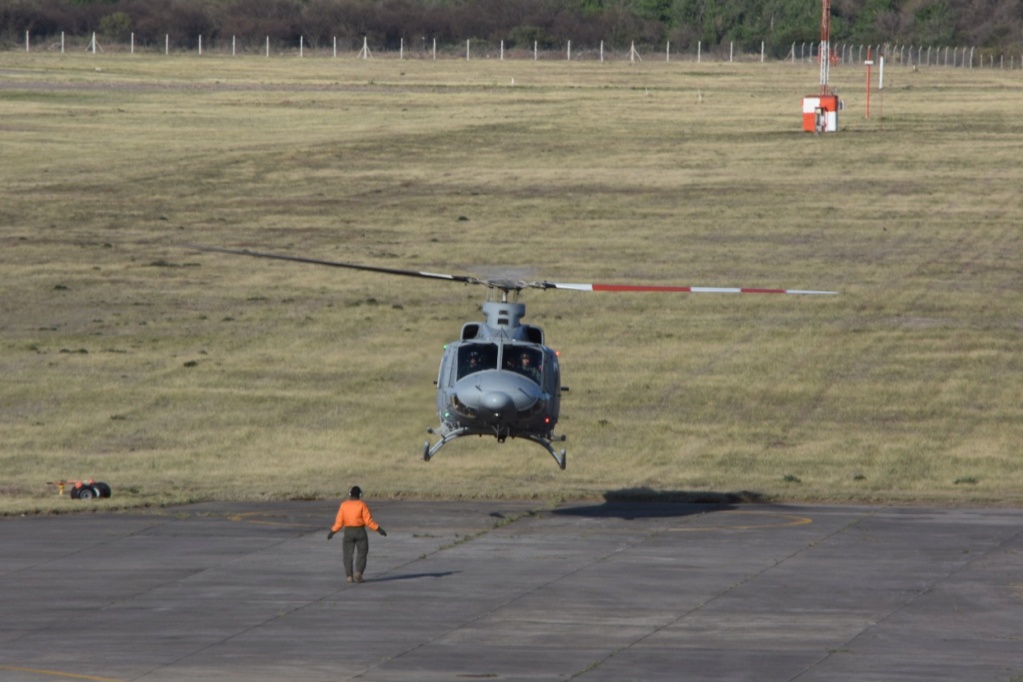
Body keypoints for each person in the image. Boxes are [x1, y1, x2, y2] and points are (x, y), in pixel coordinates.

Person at [327, 485, 386, 583]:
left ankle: (349, 576)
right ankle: (359, 572)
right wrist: (379, 530)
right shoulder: (362, 505)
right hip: (360, 532)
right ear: (360, 495)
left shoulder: (344, 505)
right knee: (362, 553)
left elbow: (339, 522)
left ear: (350, 494)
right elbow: (369, 521)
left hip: (348, 532)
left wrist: (332, 532)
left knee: (347, 554)